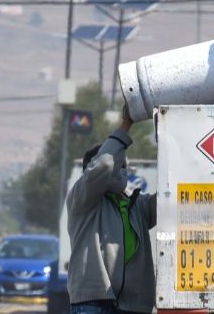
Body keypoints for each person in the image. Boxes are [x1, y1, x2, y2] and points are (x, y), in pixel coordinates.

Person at [66, 105, 156, 314]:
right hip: (93, 303)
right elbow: (104, 166)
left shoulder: (137, 206)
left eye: (124, 167)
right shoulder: (83, 200)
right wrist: (126, 124)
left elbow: (172, 200)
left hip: (133, 306)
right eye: (118, 166)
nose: (120, 172)